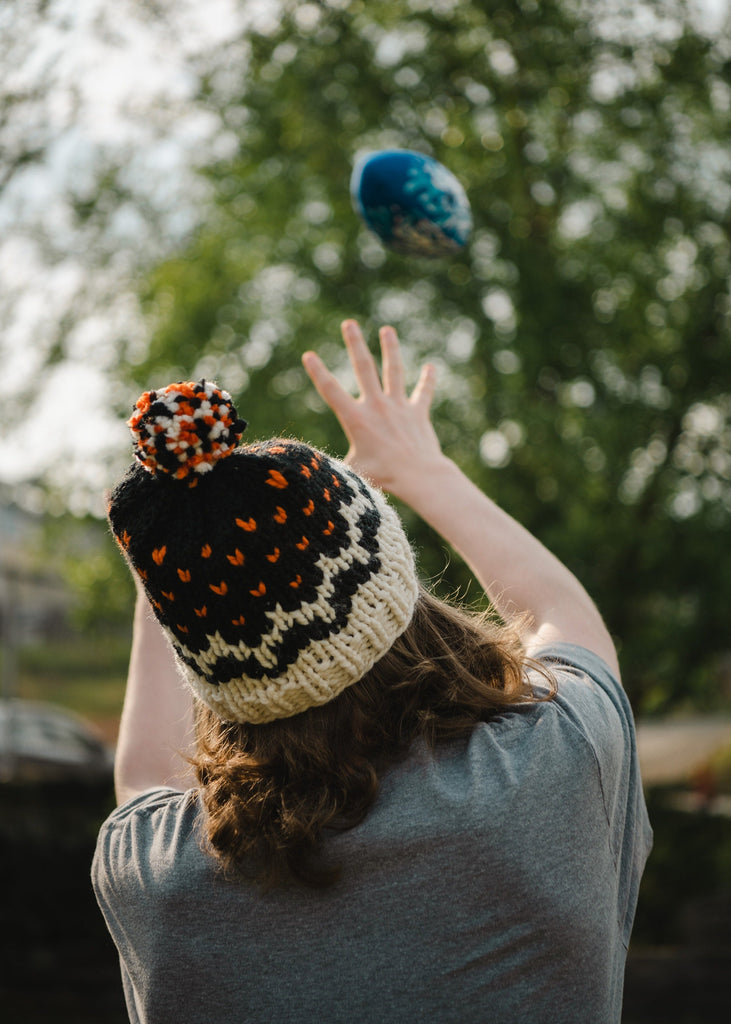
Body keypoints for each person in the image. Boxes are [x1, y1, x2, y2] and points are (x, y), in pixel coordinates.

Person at [93, 320, 652, 1024]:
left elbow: (142, 779)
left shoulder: (154, 878)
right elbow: (565, 618)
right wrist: (422, 470)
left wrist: (177, 563)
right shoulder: (557, 762)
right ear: (396, 587)